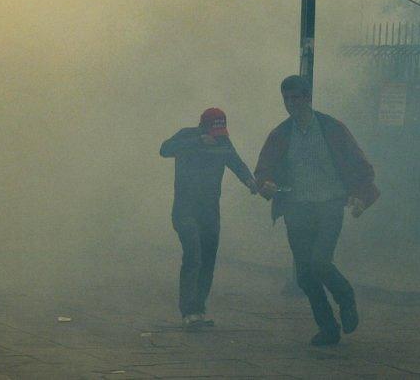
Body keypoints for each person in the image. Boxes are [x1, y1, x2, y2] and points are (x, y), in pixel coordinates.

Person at [254, 75, 380, 346]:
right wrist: (266, 184)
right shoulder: (280, 134)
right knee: (304, 275)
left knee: (320, 262)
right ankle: (328, 328)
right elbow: (263, 170)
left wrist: (360, 197)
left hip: (329, 205)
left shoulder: (332, 128)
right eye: (286, 99)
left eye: (296, 97)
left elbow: (359, 165)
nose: (291, 104)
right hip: (296, 208)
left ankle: (345, 296)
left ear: (308, 97)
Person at [160, 108, 258, 328]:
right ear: (203, 127)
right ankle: (187, 312)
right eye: (213, 133)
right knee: (193, 254)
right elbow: (164, 149)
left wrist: (250, 181)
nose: (217, 138)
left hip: (210, 212)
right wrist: (197, 142)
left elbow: (237, 164)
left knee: (207, 260)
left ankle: (198, 310)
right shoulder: (187, 135)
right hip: (185, 209)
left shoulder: (224, 143)